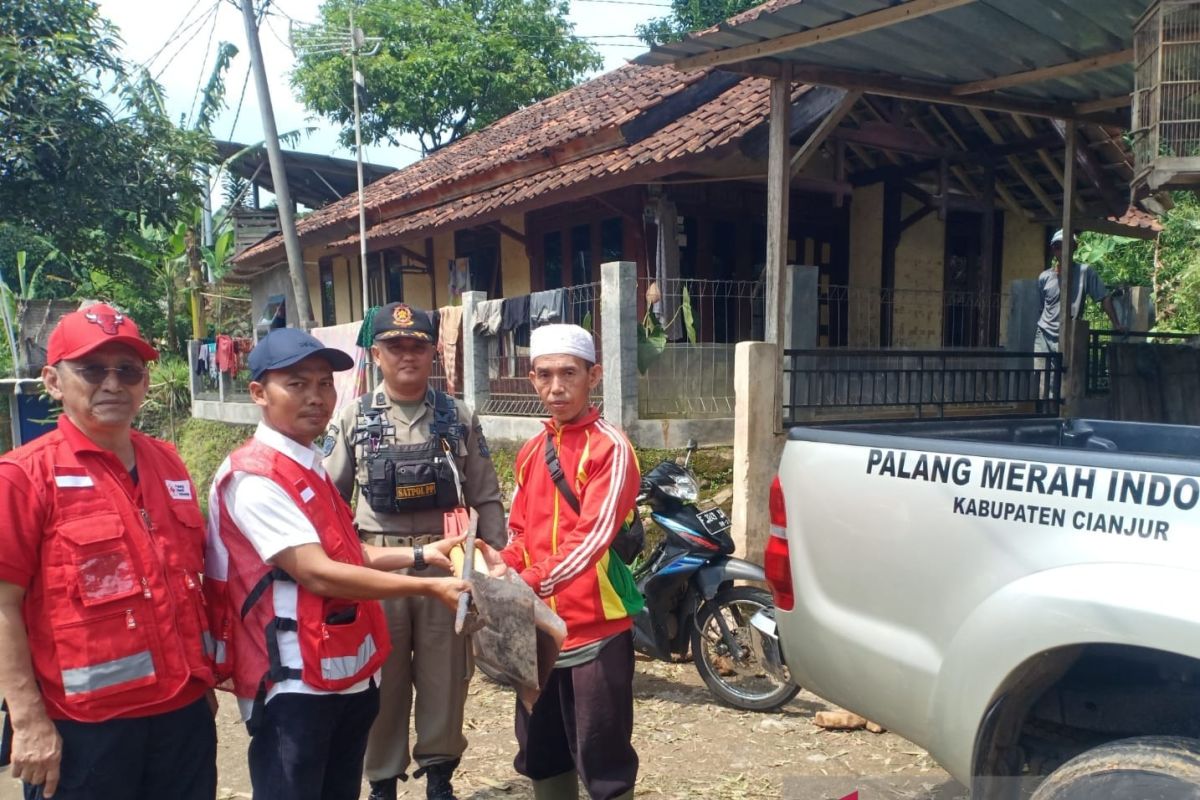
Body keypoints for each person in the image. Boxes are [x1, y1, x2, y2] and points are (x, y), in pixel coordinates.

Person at [204, 327, 468, 800]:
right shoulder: (255, 478)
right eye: (298, 384)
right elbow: (316, 572)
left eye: (324, 383)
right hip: (292, 682)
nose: (316, 397)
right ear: (259, 393)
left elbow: (347, 554)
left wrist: (420, 555)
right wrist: (426, 586)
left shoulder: (306, 463)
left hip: (342, 671)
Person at [0, 303, 218, 800]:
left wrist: (200, 685)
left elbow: (184, 579)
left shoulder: (167, 462)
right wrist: (29, 720)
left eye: (129, 370)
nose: (113, 384)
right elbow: (2, 606)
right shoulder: (23, 476)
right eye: (93, 369)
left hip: (180, 716)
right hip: (84, 730)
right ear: (54, 381)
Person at [323, 302, 506, 800]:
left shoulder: (456, 415)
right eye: (395, 346)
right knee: (380, 677)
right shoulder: (353, 418)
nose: (407, 355)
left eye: (417, 346)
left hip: (446, 566)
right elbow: (328, 500)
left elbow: (484, 493)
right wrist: (335, 570)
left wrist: (494, 561)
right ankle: (382, 779)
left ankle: (440, 775)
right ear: (376, 354)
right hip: (378, 565)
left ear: (432, 354)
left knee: (446, 673)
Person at [489, 323, 643, 800]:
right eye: (544, 374)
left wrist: (527, 579)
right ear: (531, 378)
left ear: (593, 376)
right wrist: (501, 566)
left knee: (603, 759)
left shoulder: (610, 448)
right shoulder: (532, 451)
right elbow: (518, 530)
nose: (555, 387)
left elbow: (592, 537)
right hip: (534, 627)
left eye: (568, 374)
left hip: (594, 627)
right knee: (540, 748)